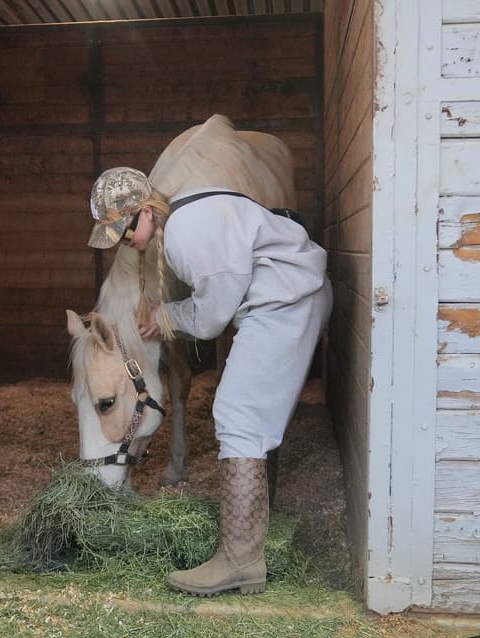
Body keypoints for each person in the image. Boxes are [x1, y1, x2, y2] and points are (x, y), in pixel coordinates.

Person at [87, 166, 332, 596]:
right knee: (246, 414)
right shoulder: (184, 219)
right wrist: (167, 317)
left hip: (285, 302)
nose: (127, 244)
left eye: (125, 233)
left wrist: (167, 317)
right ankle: (247, 549)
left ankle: (239, 560)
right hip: (283, 297)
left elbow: (213, 317)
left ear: (146, 211)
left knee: (236, 412)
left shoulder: (186, 234)